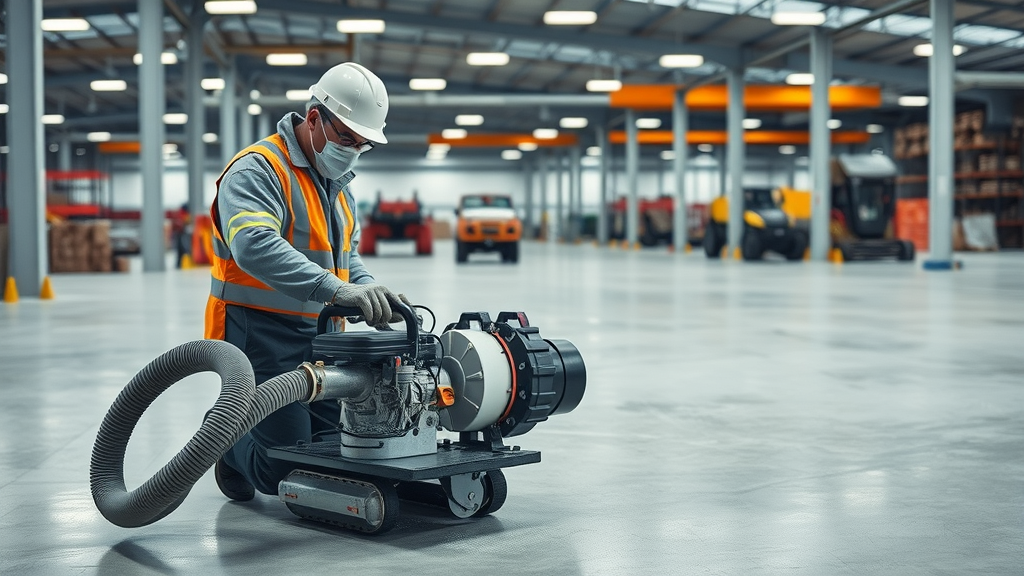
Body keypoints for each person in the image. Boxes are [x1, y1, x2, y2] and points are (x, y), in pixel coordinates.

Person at [203, 62, 408, 500]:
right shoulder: (258, 169)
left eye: (362, 145)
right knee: (282, 468)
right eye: (347, 139)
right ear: (314, 119)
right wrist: (337, 290)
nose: (352, 151)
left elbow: (344, 256)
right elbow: (254, 244)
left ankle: (247, 431)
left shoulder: (337, 182)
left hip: (322, 335)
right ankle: (225, 441)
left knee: (337, 450)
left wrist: (369, 288)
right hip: (259, 330)